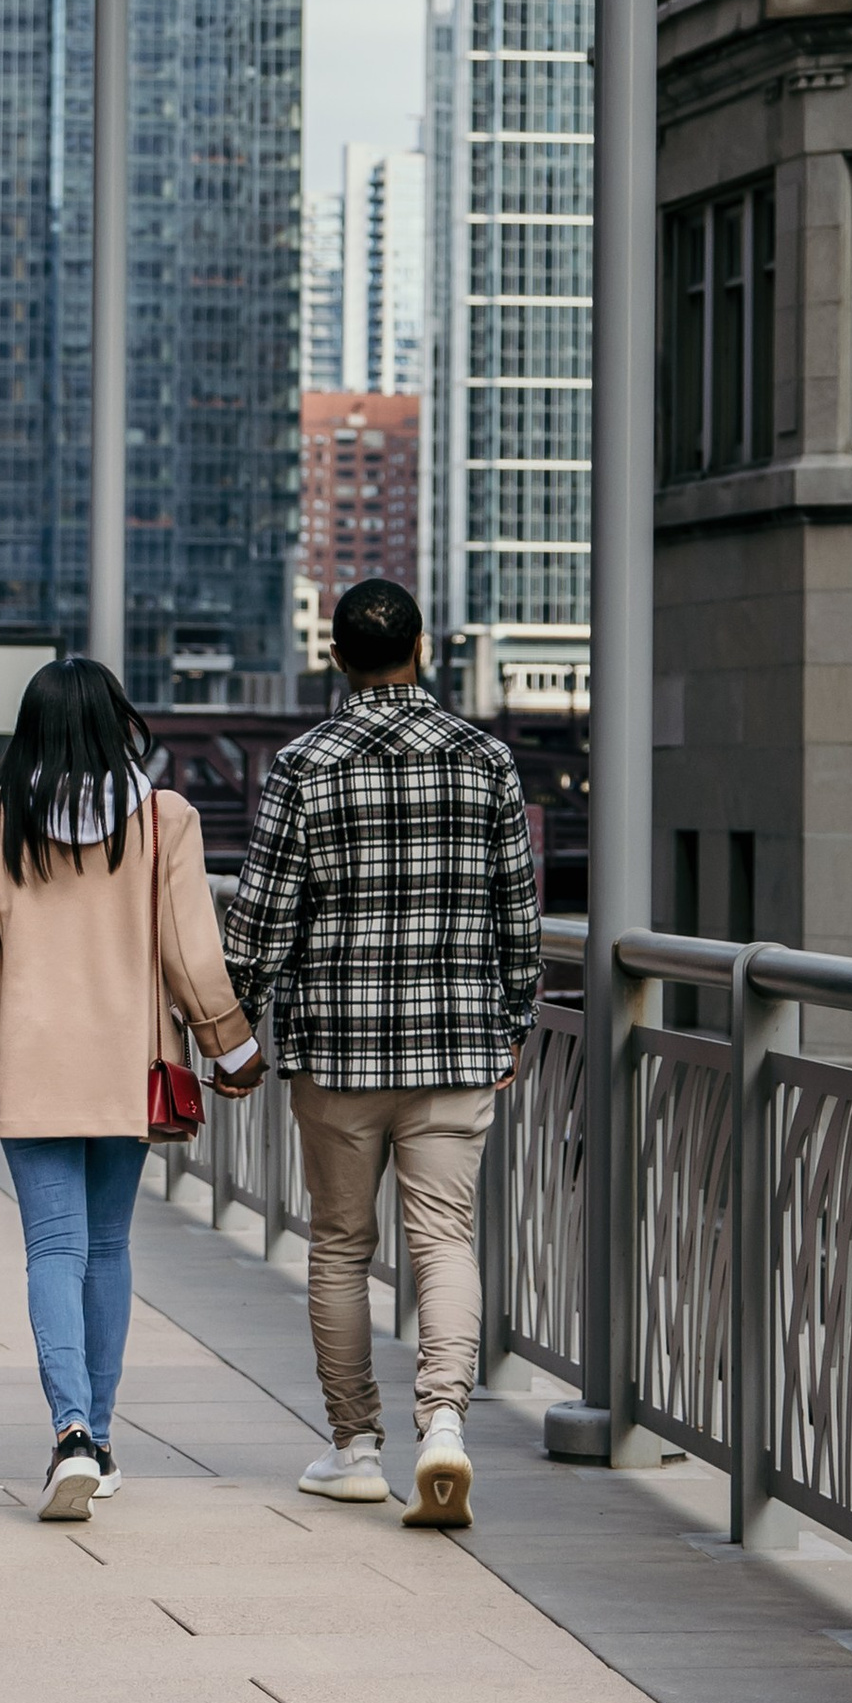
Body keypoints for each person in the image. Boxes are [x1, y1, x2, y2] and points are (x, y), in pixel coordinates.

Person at [221, 575, 542, 1528]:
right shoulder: (487, 760)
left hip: (338, 1053)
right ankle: (444, 1426)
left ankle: (355, 1445)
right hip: (454, 1044)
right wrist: (514, 1019)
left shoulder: (303, 763)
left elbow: (262, 921)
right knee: (444, 1240)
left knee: (341, 1245)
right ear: (425, 650)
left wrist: (233, 1024)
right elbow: (516, 915)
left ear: (335, 659)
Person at [0, 655, 261, 1520]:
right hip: (128, 1065)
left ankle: (69, 1432)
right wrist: (230, 1048)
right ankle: (106, 1441)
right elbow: (193, 955)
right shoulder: (163, 820)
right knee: (110, 1249)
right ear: (121, 723)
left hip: (33, 1065)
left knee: (53, 1247)